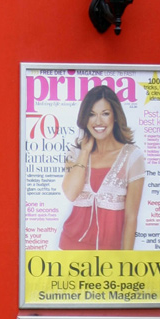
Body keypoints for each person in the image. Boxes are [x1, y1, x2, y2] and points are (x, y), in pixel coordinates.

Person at [58, 85, 146, 251]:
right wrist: (84, 151)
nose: (98, 121)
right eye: (91, 114)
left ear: (115, 116)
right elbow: (70, 194)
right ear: (85, 119)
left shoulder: (133, 157)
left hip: (111, 255)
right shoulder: (74, 154)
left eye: (105, 114)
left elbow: (131, 217)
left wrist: (126, 263)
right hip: (70, 249)